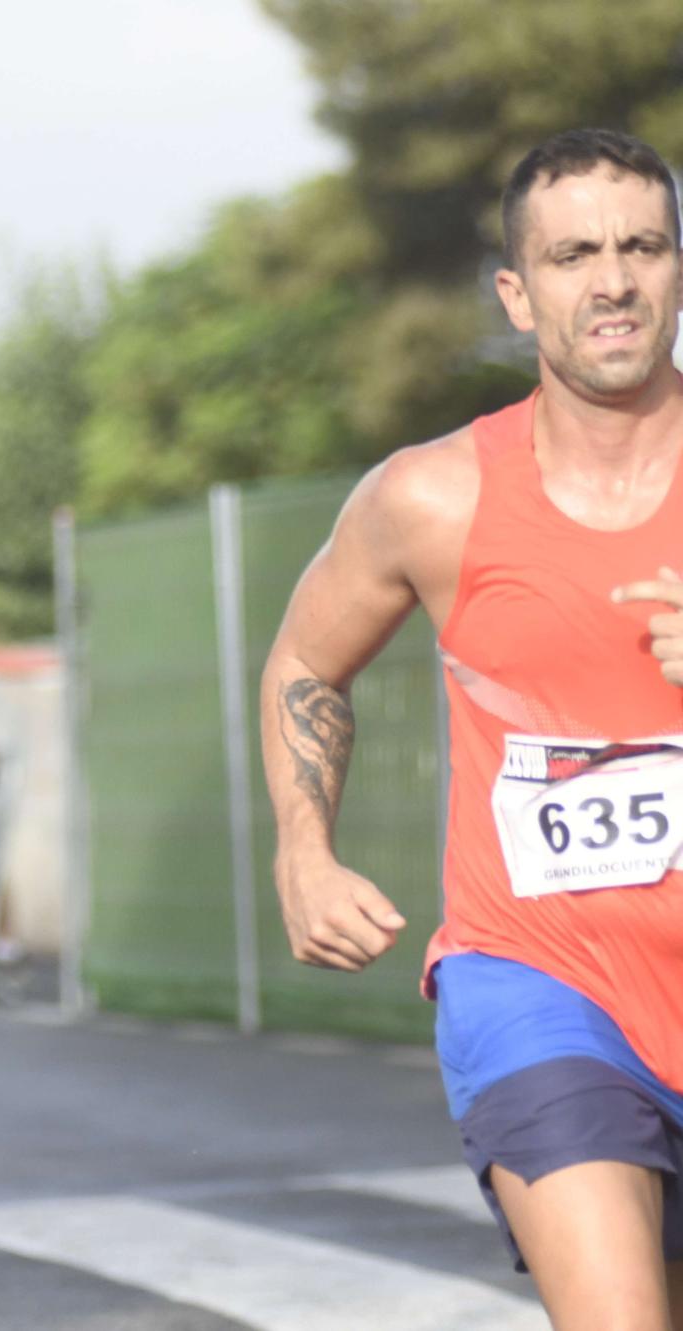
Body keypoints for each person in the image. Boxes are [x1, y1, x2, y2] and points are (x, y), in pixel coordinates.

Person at [262, 128, 683, 1326]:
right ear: (516, 291)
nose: (608, 279)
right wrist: (303, 844)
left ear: (672, 268)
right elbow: (304, 656)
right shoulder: (429, 495)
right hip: (538, 981)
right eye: (570, 255)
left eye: (638, 246)